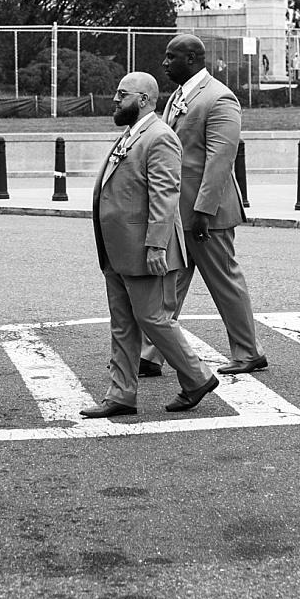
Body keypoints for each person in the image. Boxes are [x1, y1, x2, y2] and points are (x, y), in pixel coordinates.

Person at [81, 73, 220, 418]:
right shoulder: (130, 134)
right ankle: (121, 394)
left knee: (154, 319)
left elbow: (165, 195)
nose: (115, 99)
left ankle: (197, 377)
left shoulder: (160, 137)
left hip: (145, 250)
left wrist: (157, 246)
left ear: (143, 99)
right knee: (123, 324)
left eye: (121, 94)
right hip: (116, 249)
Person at [139, 34, 267, 376]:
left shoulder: (220, 98)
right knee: (171, 282)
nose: (164, 64)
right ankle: (150, 354)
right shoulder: (178, 97)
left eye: (171, 57)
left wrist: (203, 211)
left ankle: (249, 352)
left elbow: (220, 160)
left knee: (224, 281)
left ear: (192, 58)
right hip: (180, 213)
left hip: (205, 216)